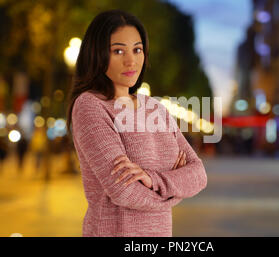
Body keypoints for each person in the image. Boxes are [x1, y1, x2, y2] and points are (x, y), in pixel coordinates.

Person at [66, 9, 207, 237]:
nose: (131, 60)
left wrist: (152, 179)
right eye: (118, 50)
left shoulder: (155, 109)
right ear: (97, 54)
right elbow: (124, 191)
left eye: (137, 49)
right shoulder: (90, 106)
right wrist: (174, 190)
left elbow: (199, 174)